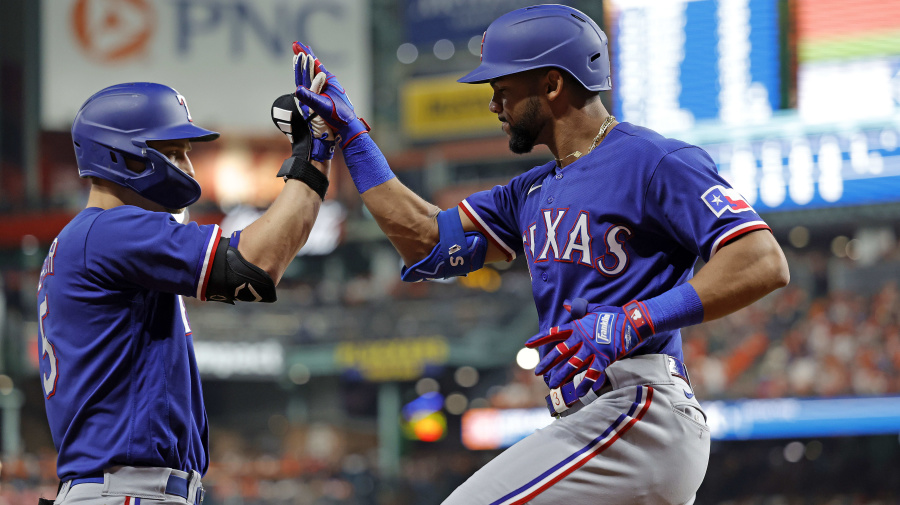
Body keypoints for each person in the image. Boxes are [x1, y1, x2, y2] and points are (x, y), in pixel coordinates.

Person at [293, 4, 789, 504]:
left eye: (502, 90)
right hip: (592, 419)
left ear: (552, 84)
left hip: (640, 411)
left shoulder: (653, 159)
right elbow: (423, 237)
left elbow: (762, 259)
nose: (494, 106)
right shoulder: (530, 190)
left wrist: (634, 320)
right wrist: (353, 139)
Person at [36, 82, 331, 505]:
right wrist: (314, 155)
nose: (187, 167)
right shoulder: (111, 230)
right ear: (120, 153)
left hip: (118, 489)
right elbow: (254, 267)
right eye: (173, 152)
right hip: (127, 491)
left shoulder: (87, 236)